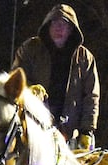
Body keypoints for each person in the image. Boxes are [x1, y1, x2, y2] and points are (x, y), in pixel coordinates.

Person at [12, 3, 100, 150]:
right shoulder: (30, 49)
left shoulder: (85, 58)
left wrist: (87, 130)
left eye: (64, 24)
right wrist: (29, 89)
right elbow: (15, 79)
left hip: (70, 135)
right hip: (32, 130)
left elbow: (91, 96)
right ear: (48, 25)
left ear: (71, 29)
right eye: (55, 23)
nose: (59, 27)